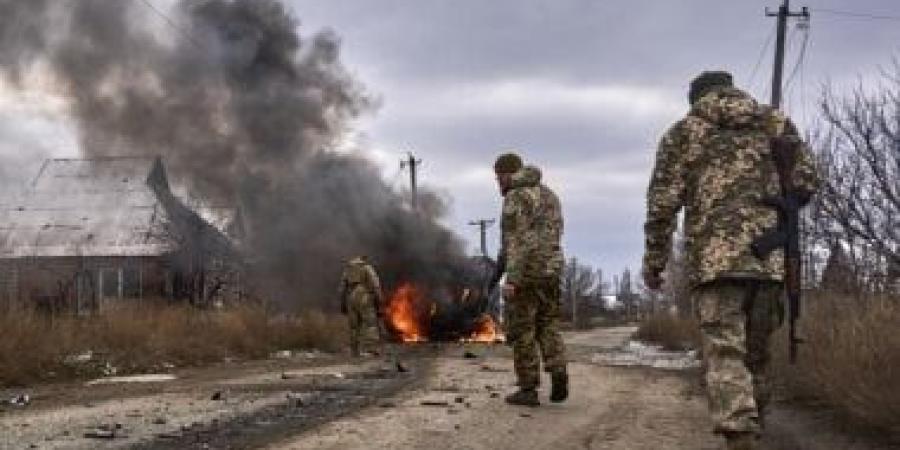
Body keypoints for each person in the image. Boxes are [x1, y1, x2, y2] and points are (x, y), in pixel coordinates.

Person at [642, 71, 819, 450]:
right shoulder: (775, 122)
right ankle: (756, 427)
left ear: (695, 99)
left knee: (725, 353)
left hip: (715, 265)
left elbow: (662, 206)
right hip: (770, 262)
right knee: (756, 356)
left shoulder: (683, 133)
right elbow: (807, 182)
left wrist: (654, 262)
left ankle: (740, 436)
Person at [494, 152, 568, 407]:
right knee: (547, 324)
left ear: (507, 174)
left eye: (498, 177)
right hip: (552, 271)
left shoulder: (515, 197)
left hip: (526, 275)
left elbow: (517, 242)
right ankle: (558, 369)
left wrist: (511, 279)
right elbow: (555, 234)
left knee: (522, 331)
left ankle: (528, 389)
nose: (498, 183)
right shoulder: (549, 195)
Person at [338, 256, 384, 357]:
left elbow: (341, 289)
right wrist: (379, 301)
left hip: (350, 298)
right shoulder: (367, 268)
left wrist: (343, 304)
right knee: (370, 324)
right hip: (364, 296)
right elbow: (376, 285)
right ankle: (373, 350)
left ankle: (354, 351)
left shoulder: (348, 270)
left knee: (354, 327)